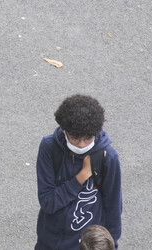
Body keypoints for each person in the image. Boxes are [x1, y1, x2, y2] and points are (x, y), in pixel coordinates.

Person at [35, 95, 123, 250]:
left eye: (88, 138)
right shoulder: (49, 148)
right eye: (75, 138)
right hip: (49, 242)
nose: (82, 145)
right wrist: (82, 176)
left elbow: (113, 208)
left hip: (86, 245)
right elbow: (48, 202)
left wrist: (112, 246)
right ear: (64, 130)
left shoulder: (108, 157)